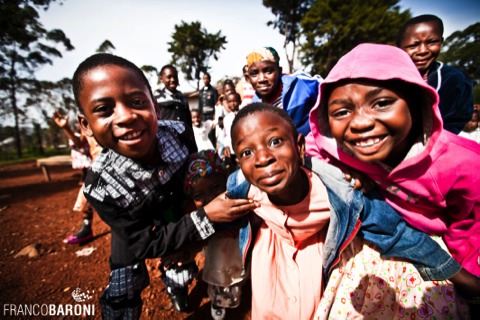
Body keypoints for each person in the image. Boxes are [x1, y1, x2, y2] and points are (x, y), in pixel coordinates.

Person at [227, 103, 478, 319]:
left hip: (317, 258)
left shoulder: (340, 192)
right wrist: (206, 216)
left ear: (300, 147)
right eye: (247, 152)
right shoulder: (240, 187)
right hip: (271, 262)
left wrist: (458, 276)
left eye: (275, 142)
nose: (262, 158)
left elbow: (395, 232)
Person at [71, 53, 258, 318]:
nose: (125, 117)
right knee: (125, 284)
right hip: (140, 230)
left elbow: (193, 176)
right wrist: (202, 219)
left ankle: (188, 285)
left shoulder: (178, 133)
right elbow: (141, 242)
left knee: (188, 259)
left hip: (178, 208)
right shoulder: (101, 186)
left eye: (136, 102)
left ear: (155, 107)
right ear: (85, 125)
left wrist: (195, 219)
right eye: (104, 109)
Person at [308, 42, 480, 277]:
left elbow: (468, 229)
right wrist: (339, 170)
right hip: (376, 252)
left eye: (381, 104)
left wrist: (465, 281)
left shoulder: (464, 162)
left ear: (417, 104)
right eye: (342, 112)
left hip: (438, 259)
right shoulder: (342, 151)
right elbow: (310, 147)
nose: (360, 123)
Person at [183, 150, 249, 320]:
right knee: (218, 283)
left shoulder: (237, 201)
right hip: (217, 261)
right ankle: (218, 303)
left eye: (215, 187)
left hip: (238, 256)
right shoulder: (197, 218)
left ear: (226, 180)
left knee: (238, 279)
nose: (210, 197)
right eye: (199, 195)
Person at [396, 14, 474, 134]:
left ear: (441, 41)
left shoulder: (454, 80)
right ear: (399, 47)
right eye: (413, 45)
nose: (423, 51)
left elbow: (451, 128)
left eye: (432, 42)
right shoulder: (390, 77)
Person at [246, 46, 322, 136]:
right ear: (248, 78)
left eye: (268, 71)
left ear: (279, 71)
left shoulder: (299, 84)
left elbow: (326, 89)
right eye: (254, 74)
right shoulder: (254, 108)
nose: (262, 79)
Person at [52, 110, 100, 244]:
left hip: (118, 167)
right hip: (97, 168)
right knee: (86, 198)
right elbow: (79, 144)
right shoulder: (86, 123)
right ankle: (86, 229)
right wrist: (65, 127)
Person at [222, 91, 242, 170]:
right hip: (232, 151)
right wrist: (226, 146)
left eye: (235, 101)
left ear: (239, 102)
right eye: (230, 102)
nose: (232, 104)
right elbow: (227, 134)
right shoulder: (226, 119)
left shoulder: (244, 115)